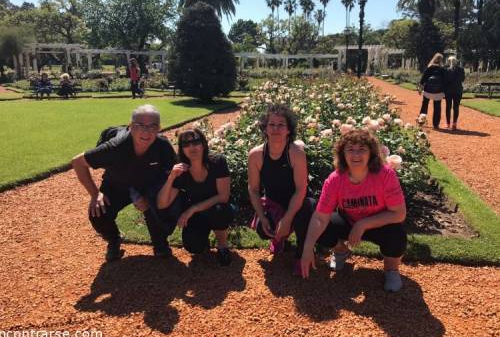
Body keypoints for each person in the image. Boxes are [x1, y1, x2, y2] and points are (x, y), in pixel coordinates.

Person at [300, 129, 407, 292]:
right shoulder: (335, 179)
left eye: (362, 149)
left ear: (371, 153)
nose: (356, 155)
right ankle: (341, 250)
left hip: (379, 224)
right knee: (320, 228)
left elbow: (399, 214)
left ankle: (391, 269)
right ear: (342, 154)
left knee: (397, 235)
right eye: (350, 150)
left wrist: (363, 224)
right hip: (348, 221)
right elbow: (320, 217)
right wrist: (307, 248)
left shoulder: (385, 175)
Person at [72, 105, 178, 261]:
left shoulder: (163, 146)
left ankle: (160, 242)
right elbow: (77, 162)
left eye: (152, 126)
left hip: (147, 185)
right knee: (98, 212)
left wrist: (150, 200)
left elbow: (171, 176)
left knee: (161, 203)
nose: (146, 131)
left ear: (159, 128)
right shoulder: (115, 146)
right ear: (130, 126)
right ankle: (114, 239)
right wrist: (95, 194)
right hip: (117, 184)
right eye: (140, 125)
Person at [248, 104, 313, 275]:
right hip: (273, 202)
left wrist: (287, 220)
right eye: (271, 124)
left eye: (281, 124)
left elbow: (301, 189)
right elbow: (253, 189)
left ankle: (302, 252)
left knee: (305, 210)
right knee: (264, 229)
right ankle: (279, 239)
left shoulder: (296, 153)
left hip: (299, 201)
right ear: (265, 128)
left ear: (288, 130)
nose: (276, 129)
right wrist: (262, 216)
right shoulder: (255, 155)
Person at [156, 129, 234, 266]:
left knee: (220, 211)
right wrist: (171, 177)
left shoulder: (217, 162)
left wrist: (192, 208)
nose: (191, 147)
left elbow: (223, 196)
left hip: (218, 207)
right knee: (193, 246)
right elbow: (162, 204)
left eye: (196, 141)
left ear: (203, 144)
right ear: (182, 149)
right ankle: (204, 239)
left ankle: (222, 246)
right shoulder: (182, 170)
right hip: (198, 214)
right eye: (186, 144)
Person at [418, 53, 447, 129]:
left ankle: (421, 120)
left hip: (428, 90)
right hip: (438, 91)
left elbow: (423, 79)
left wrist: (420, 88)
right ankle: (436, 124)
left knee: (424, 105)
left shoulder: (429, 67)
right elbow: (445, 81)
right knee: (437, 107)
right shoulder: (442, 69)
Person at [444, 56, 465, 130]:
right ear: (456, 62)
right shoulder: (461, 69)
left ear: (449, 62)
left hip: (449, 91)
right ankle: (454, 123)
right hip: (458, 91)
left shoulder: (447, 70)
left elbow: (445, 81)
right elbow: (462, 79)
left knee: (448, 107)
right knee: (456, 107)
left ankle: (448, 124)